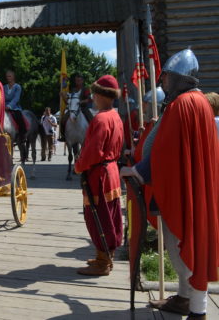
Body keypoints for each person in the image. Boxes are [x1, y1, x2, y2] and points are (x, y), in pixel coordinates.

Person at [121, 49, 219, 320]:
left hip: (183, 190)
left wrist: (138, 171)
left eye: (166, 77)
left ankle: (197, 310)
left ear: (180, 78)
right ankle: (186, 298)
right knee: (182, 245)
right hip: (190, 186)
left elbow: (165, 152)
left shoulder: (184, 105)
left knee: (183, 245)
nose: (162, 81)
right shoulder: (194, 103)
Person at [74, 75, 123, 276]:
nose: (92, 96)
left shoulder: (101, 118)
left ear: (102, 95)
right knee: (108, 216)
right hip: (110, 171)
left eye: (95, 93)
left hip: (99, 174)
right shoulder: (115, 116)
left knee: (98, 217)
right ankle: (104, 256)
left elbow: (93, 151)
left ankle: (103, 263)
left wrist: (78, 166)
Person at [59, 73, 93, 141]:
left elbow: (89, 99)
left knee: (92, 120)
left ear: (82, 81)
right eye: (76, 80)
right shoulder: (73, 90)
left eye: (79, 80)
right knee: (63, 120)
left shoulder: (86, 89)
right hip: (73, 109)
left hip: (83, 108)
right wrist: (63, 96)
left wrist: (80, 102)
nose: (77, 82)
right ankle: (64, 136)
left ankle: (93, 135)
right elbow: (67, 102)